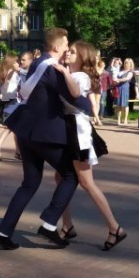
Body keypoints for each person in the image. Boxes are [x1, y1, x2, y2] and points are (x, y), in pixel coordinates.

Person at [0, 28, 87, 250]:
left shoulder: (37, 63)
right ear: (56, 47)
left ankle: (3, 232)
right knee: (70, 175)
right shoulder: (53, 68)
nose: (66, 49)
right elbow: (72, 95)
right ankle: (50, 222)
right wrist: (88, 107)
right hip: (45, 133)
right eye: (65, 45)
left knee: (29, 183)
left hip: (25, 129)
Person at [53, 41, 126, 251]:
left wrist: (64, 73)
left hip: (79, 132)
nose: (68, 53)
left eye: (73, 51)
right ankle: (67, 225)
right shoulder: (71, 72)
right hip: (70, 129)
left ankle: (115, 228)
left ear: (82, 57)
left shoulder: (81, 76)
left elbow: (75, 93)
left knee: (86, 182)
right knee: (60, 177)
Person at [0, 53, 30, 160]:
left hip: (8, 102)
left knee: (16, 128)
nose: (19, 62)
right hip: (14, 102)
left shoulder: (8, 72)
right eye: (18, 60)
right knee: (11, 127)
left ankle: (18, 152)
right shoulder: (14, 73)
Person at [114, 58, 134, 126]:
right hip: (118, 88)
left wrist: (118, 80)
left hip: (125, 88)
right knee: (118, 105)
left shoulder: (130, 72)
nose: (126, 64)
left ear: (130, 64)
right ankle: (119, 119)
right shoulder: (121, 71)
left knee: (125, 105)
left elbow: (127, 79)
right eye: (125, 63)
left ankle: (125, 119)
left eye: (127, 63)